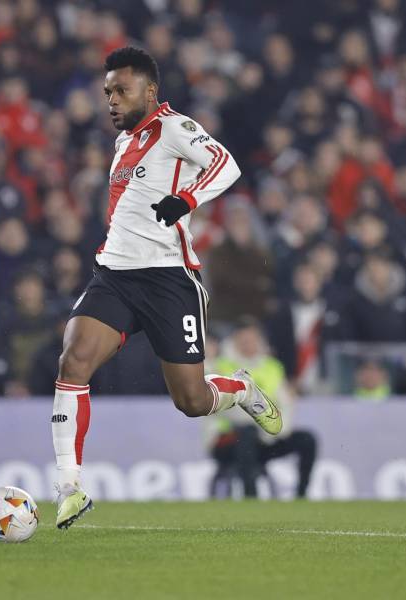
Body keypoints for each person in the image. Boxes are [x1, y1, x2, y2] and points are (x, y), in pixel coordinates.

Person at [52, 47, 282, 529]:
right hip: (113, 276)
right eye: (108, 91)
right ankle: (69, 489)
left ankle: (238, 389)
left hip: (167, 279)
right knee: (73, 359)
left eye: (122, 90)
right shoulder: (122, 144)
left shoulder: (174, 127)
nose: (112, 100)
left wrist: (187, 198)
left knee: (192, 402)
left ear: (150, 91)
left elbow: (227, 164)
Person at [207, 320, 317, 499]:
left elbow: (286, 403)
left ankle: (301, 495)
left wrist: (279, 430)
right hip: (228, 439)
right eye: (243, 341)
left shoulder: (272, 367)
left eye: (252, 340)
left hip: (265, 438)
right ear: (234, 342)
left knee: (307, 439)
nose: (249, 345)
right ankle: (251, 496)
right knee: (247, 433)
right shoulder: (222, 367)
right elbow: (223, 408)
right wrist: (263, 422)